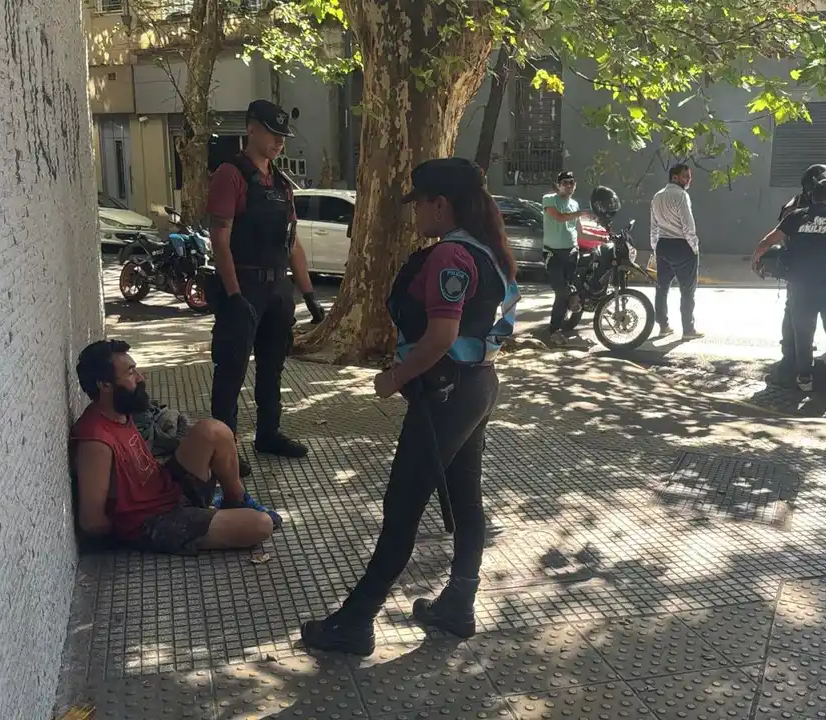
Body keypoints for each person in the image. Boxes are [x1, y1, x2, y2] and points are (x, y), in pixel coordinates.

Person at [301, 158, 519, 655]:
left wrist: (393, 377)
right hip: (478, 385)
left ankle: (356, 621)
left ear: (439, 204)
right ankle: (457, 605)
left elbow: (440, 336)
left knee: (402, 508)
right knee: (465, 498)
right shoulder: (490, 251)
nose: (415, 212)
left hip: (445, 395)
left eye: (419, 202)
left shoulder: (449, 257)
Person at [71, 340, 278, 554]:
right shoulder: (95, 441)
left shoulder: (119, 410)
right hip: (154, 520)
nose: (141, 377)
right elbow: (92, 521)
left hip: (165, 488)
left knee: (213, 431)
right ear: (104, 385)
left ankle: (234, 501)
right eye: (131, 373)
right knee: (261, 524)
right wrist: (135, 532)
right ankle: (211, 514)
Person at [207, 100, 325, 462]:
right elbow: (220, 241)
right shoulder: (230, 175)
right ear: (251, 129)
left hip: (277, 290)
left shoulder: (280, 183)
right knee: (231, 370)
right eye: (273, 133)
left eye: (283, 136)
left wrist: (308, 295)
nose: (279, 142)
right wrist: (234, 295)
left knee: (272, 366)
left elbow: (292, 243)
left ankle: (268, 434)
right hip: (244, 287)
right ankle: (223, 449)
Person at [752, 179, 826, 391]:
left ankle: (804, 378)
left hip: (801, 287)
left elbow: (768, 241)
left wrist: (755, 260)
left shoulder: (796, 216)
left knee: (803, 332)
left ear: (812, 197)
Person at [769, 164, 826, 386]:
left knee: (804, 319)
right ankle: (790, 359)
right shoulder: (797, 208)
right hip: (802, 274)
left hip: (808, 274)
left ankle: (804, 368)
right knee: (795, 318)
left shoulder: (810, 204)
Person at [649, 163, 701, 338]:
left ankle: (663, 326)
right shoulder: (681, 196)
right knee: (687, 289)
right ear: (675, 177)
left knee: (662, 287)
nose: (689, 180)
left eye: (689, 177)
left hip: (663, 245)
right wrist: (694, 246)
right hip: (682, 246)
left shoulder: (657, 196)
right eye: (686, 176)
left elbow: (654, 225)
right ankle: (688, 329)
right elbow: (688, 224)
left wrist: (655, 247)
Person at [541, 170, 592, 345]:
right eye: (565, 182)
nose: (569, 185)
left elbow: (580, 230)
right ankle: (555, 329)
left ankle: (561, 323)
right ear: (558, 185)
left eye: (572, 182)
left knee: (567, 291)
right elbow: (560, 218)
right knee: (561, 291)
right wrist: (581, 214)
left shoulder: (575, 204)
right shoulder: (549, 200)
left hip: (571, 252)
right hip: (553, 254)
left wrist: (601, 238)